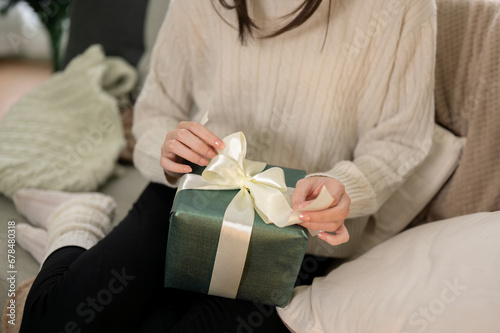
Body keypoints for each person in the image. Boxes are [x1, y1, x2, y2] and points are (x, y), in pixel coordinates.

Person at [16, 0, 436, 331]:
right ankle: (76, 222)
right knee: (51, 323)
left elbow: (402, 138)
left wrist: (346, 185)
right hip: (190, 196)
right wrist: (169, 148)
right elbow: (158, 108)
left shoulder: (401, 7)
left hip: (294, 233)